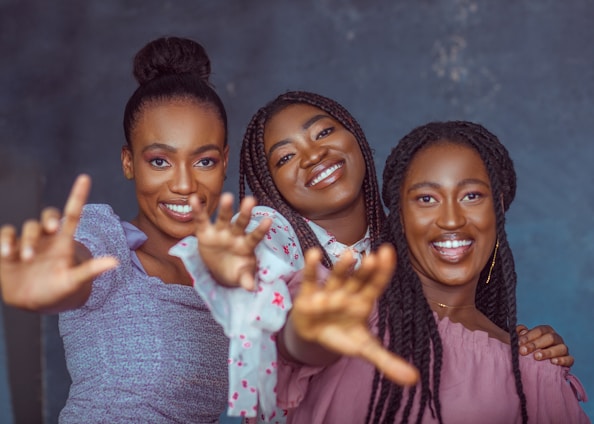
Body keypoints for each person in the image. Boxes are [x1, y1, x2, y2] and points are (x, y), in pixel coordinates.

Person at [173, 91, 576, 422]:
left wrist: (522, 346)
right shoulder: (276, 237)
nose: (313, 156)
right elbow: (295, 333)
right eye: (285, 157)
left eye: (324, 132)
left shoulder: (403, 250)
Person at [0, 36, 268, 423]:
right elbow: (76, 264)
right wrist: (55, 277)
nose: (184, 185)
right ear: (129, 163)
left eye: (204, 161)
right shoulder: (109, 241)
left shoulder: (230, 273)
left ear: (224, 162)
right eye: (159, 161)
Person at [277, 120, 589, 423]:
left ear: (498, 208)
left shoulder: (532, 372)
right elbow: (297, 340)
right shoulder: (342, 306)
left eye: (471, 196)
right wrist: (307, 331)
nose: (451, 220)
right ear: (398, 215)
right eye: (427, 199)